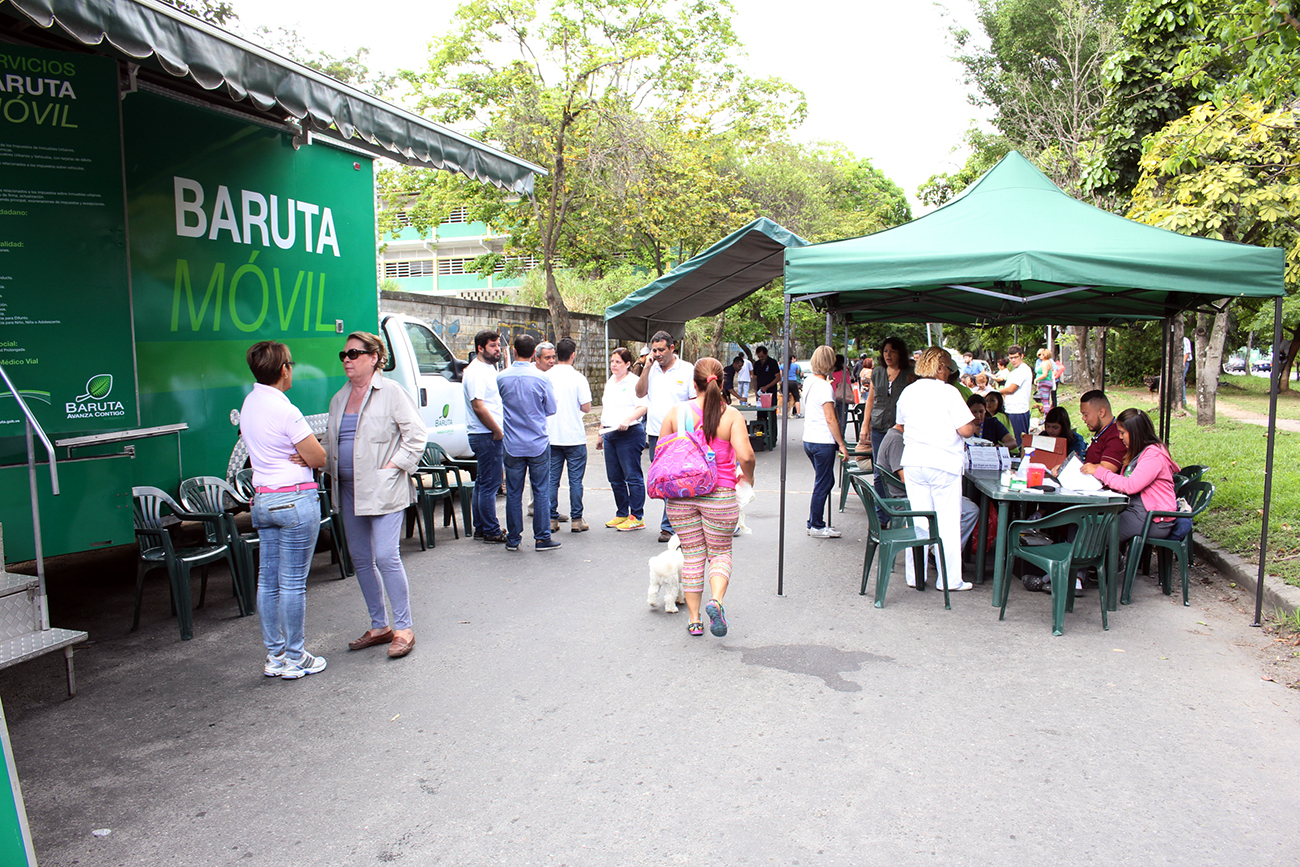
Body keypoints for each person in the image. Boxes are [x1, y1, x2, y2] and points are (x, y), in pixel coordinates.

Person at [326, 331, 427, 660]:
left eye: (353, 354)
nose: (347, 360)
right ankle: (379, 625)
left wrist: (394, 465)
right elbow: (335, 442)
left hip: (383, 487)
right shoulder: (340, 399)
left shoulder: (391, 392)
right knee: (360, 560)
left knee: (386, 556)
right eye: (343, 355)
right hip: (348, 490)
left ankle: (403, 627)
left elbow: (416, 435)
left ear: (374, 357)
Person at [241, 341, 328, 679]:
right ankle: (296, 657)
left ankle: (275, 656)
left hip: (263, 500)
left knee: (268, 581)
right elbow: (319, 457)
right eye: (290, 363)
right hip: (294, 499)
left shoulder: (249, 404)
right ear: (283, 370)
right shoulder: (286, 410)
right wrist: (303, 454)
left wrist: (298, 452)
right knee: (293, 584)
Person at [657, 357, 756, 638]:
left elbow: (660, 456)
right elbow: (746, 455)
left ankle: (694, 619)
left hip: (681, 497)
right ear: (722, 383)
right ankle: (717, 601)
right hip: (720, 495)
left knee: (692, 557)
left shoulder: (676, 413)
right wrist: (748, 477)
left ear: (693, 383)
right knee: (720, 553)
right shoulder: (732, 416)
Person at [894, 347, 978, 592]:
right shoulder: (949, 393)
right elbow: (965, 430)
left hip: (914, 462)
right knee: (947, 522)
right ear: (940, 367)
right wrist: (971, 423)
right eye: (948, 367)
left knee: (919, 521)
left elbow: (901, 423)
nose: (950, 372)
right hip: (943, 463)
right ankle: (949, 580)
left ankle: (915, 575)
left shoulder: (908, 392)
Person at [874, 420, 981, 558]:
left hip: (909, 494)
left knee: (964, 504)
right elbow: (905, 478)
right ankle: (940, 554)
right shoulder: (897, 440)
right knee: (969, 510)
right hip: (905, 498)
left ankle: (939, 549)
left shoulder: (899, 436)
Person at [1081, 408, 1180, 547]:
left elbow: (1131, 485)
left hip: (1153, 520)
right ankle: (1108, 565)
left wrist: (1100, 471)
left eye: (1122, 433)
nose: (1120, 437)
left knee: (1093, 536)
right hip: (1138, 513)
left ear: (1135, 433)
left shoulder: (1153, 456)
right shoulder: (1142, 453)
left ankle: (1110, 566)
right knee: (1088, 528)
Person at [498, 334, 559, 552]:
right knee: (541, 490)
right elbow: (551, 409)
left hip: (512, 443)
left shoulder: (502, 377)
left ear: (514, 351)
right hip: (537, 442)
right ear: (534, 354)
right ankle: (542, 537)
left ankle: (513, 538)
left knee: (514, 492)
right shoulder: (542, 379)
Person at [636, 330, 695, 542]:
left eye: (661, 349)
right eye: (654, 350)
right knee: (663, 479)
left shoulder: (687, 369)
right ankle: (676, 522)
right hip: (655, 434)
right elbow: (640, 393)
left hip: (680, 434)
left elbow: (693, 400)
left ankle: (668, 526)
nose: (658, 354)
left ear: (672, 348)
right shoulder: (650, 369)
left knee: (676, 479)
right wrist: (646, 368)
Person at [862, 336, 912, 526]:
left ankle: (899, 514)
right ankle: (881, 518)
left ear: (900, 352)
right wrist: (865, 425)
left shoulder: (909, 373)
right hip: (879, 427)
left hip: (901, 430)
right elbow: (870, 400)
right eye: (885, 351)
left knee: (899, 470)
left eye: (892, 351)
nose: (888, 354)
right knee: (879, 472)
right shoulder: (878, 372)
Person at [597, 347, 648, 530]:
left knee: (632, 476)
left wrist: (628, 419)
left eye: (618, 362)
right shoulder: (610, 381)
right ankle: (621, 513)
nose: (614, 365)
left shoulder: (635, 382)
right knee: (614, 477)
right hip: (610, 434)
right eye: (612, 361)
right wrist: (601, 432)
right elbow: (607, 409)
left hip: (629, 434)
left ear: (628, 364)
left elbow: (642, 406)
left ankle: (637, 516)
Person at [802, 346, 851, 538]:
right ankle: (816, 524)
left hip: (809, 439)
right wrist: (841, 443)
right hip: (823, 441)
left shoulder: (809, 381)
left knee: (824, 481)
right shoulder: (824, 388)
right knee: (824, 482)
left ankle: (814, 522)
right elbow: (831, 419)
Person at [464, 330, 506, 544]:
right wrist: (497, 431)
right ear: (480, 348)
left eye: (498, 345)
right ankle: (491, 529)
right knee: (491, 484)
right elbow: (478, 406)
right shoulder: (476, 371)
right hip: (486, 434)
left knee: (483, 482)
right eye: (493, 346)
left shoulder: (489, 368)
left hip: (488, 434)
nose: (497, 349)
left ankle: (481, 527)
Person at [546, 338, 592, 533]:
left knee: (551, 480)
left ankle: (551, 519)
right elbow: (587, 407)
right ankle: (576, 519)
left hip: (551, 435)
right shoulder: (578, 378)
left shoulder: (546, 376)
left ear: (556, 355)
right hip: (573, 436)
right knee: (575, 481)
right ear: (573, 355)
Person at [1078, 390, 1125, 474]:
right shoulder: (1102, 431)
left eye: (1086, 414)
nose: (1083, 419)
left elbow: (1106, 470)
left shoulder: (1116, 436)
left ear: (1101, 412)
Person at [998, 344, 1033, 442]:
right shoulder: (1015, 371)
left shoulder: (1023, 370)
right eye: (1011, 358)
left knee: (1019, 441)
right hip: (1010, 409)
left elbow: (1011, 389)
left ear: (1022, 356)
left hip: (1019, 410)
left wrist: (995, 392)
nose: (1013, 360)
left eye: (1016, 357)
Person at [1035, 348, 1056, 413]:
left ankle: (1046, 416)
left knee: (1045, 402)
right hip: (1047, 383)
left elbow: (1044, 374)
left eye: (1040, 354)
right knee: (1046, 400)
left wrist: (1036, 379)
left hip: (1044, 383)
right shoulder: (1049, 362)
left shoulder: (1045, 363)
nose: (1039, 356)